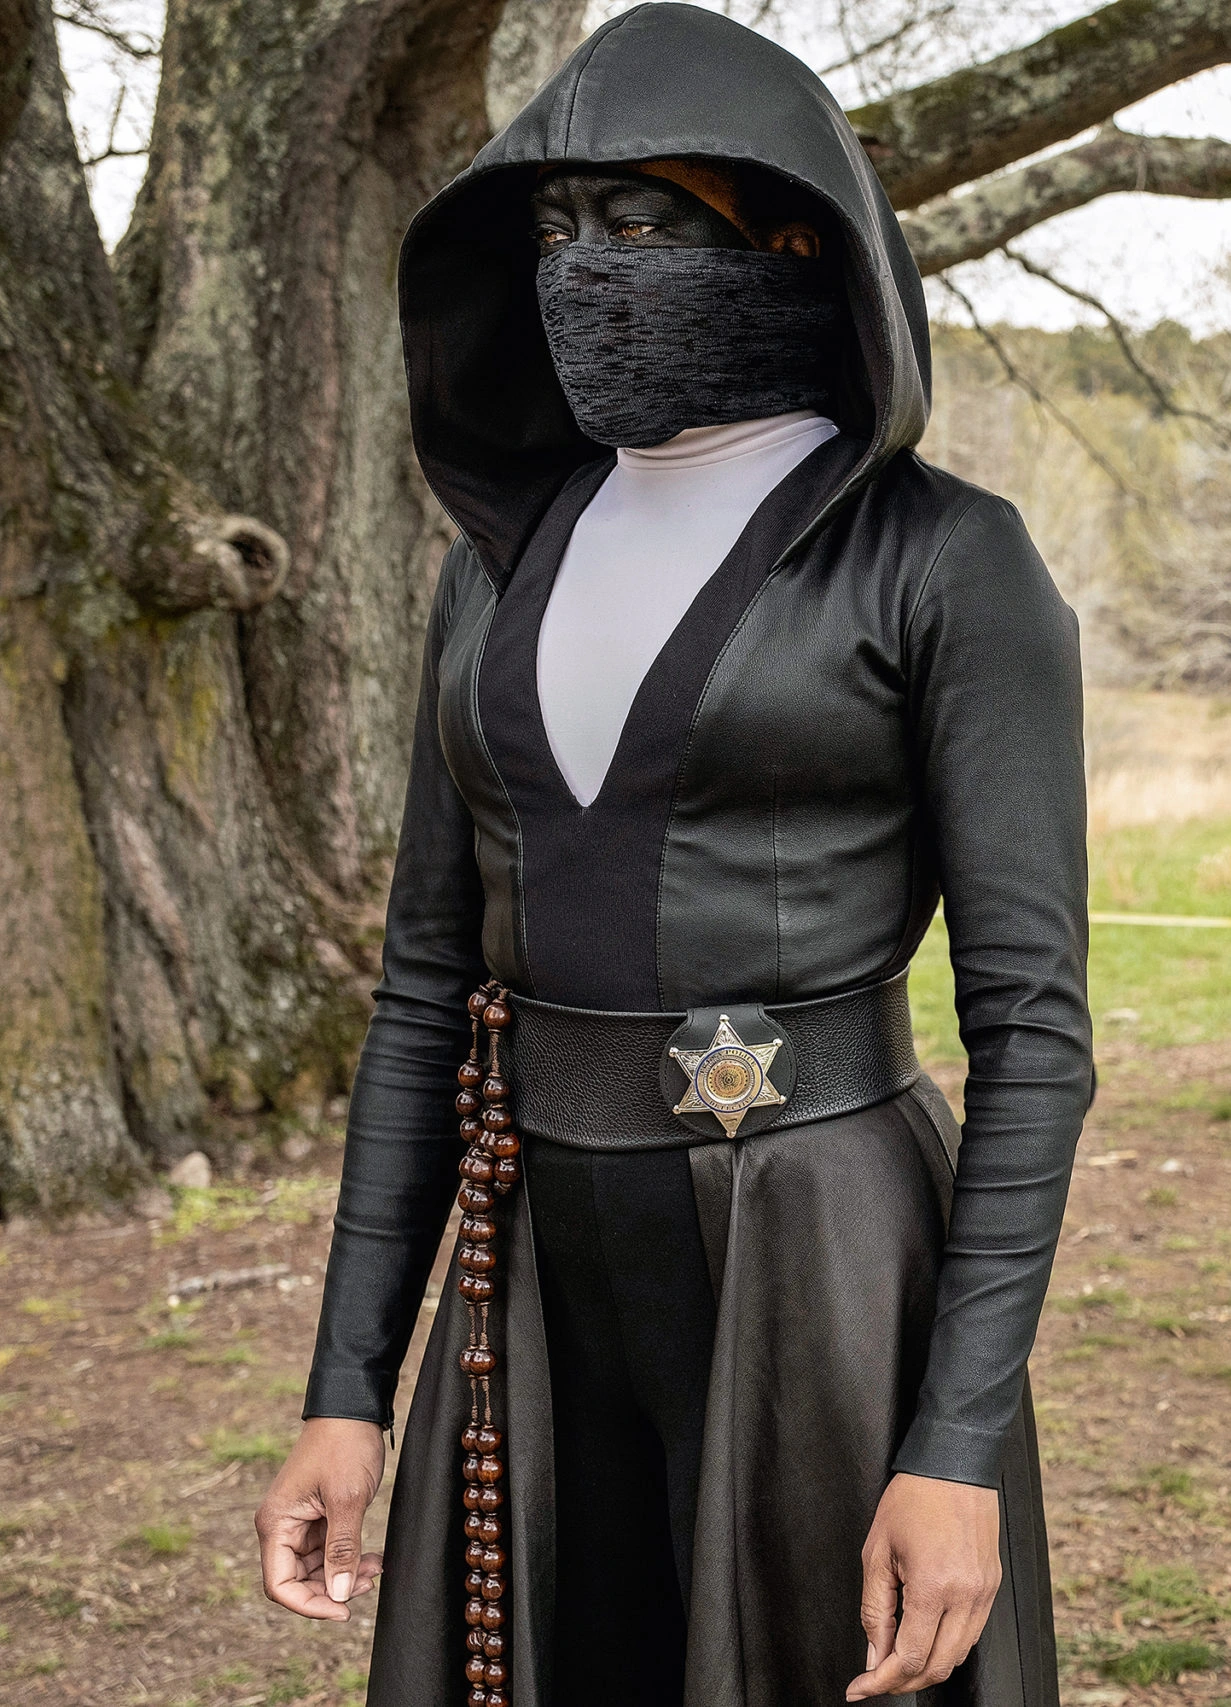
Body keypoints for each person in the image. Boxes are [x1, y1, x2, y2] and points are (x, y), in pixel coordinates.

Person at [252, 9, 1089, 1705]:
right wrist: (347, 1385)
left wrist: (955, 1441)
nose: (580, 272)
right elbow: (424, 995)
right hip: (533, 1264)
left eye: (637, 221)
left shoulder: (943, 561)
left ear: (795, 239)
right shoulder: (497, 564)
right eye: (554, 231)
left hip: (823, 1264)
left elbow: (1035, 1032)